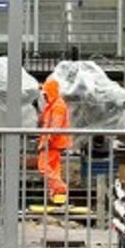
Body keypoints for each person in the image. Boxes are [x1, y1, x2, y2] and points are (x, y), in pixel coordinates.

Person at [37, 77, 71, 205]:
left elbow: (55, 126)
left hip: (52, 143)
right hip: (54, 143)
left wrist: (46, 141)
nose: (44, 97)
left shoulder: (57, 106)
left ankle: (60, 188)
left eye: (46, 94)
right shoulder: (55, 104)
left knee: (43, 166)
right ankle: (57, 196)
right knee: (54, 169)